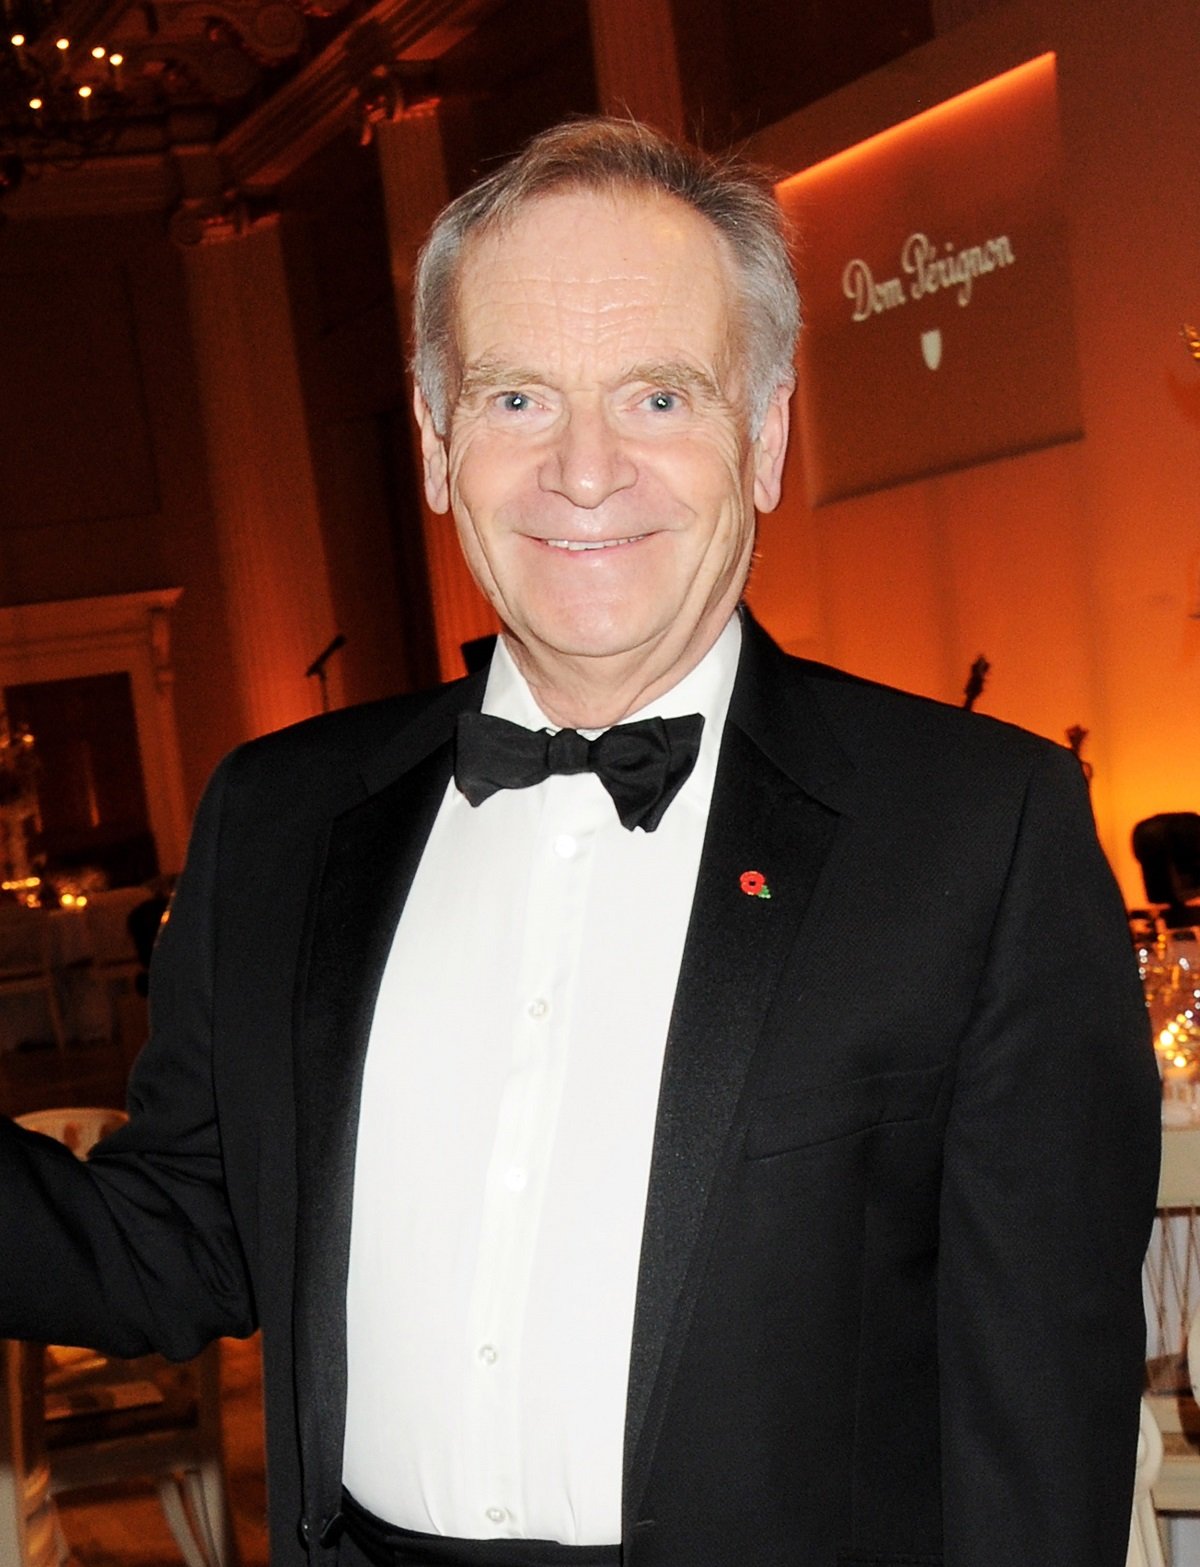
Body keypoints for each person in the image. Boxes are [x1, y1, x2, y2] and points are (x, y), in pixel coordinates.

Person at [0, 118, 1160, 1567]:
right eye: (518, 399)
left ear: (769, 430)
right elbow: (183, 1235)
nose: (587, 470)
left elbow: (1037, 1407)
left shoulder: (977, 830)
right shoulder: (279, 817)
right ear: (436, 441)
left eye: (662, 395)